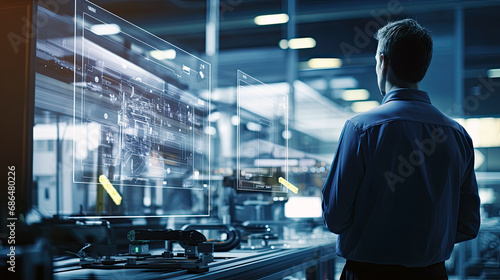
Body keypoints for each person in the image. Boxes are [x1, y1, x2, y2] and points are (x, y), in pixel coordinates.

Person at [322, 19, 480, 280]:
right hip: (432, 274)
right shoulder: (457, 135)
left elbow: (335, 219)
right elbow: (469, 224)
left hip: (367, 274)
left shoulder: (360, 128)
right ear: (423, 66)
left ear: (383, 62)